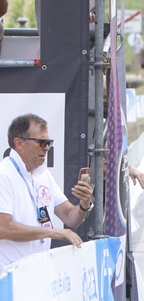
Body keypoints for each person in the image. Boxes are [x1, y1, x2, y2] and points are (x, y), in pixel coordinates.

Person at [0, 114, 93, 267]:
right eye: (41, 142)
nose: (47, 147)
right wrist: (51, 232)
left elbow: (71, 217)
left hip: (37, 273)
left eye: (49, 142)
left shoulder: (44, 174)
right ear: (19, 143)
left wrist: (84, 204)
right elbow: (3, 228)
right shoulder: (4, 174)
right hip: (9, 277)